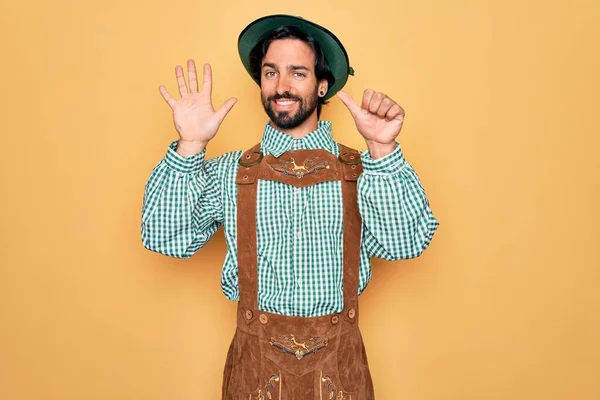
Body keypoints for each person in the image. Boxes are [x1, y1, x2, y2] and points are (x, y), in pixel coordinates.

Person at [141, 14, 439, 400]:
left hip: (340, 376)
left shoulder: (366, 171)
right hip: (253, 375)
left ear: (322, 85)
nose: (281, 86)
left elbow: (404, 245)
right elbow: (165, 239)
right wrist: (191, 146)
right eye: (270, 73)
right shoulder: (230, 172)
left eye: (298, 73)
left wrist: (382, 149)